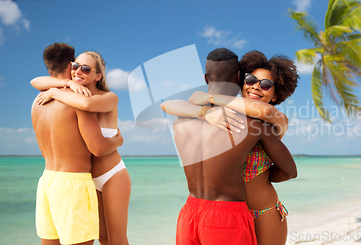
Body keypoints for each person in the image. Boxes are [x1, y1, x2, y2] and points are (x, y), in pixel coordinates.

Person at [161, 48, 297, 245]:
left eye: (266, 85)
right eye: (251, 81)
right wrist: (205, 112)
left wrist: (265, 177)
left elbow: (264, 111)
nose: (256, 87)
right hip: (229, 212)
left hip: (263, 211)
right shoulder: (224, 117)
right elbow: (169, 106)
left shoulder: (274, 121)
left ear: (276, 95)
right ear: (241, 80)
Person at [31, 51, 131, 245]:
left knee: (116, 239)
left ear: (98, 76)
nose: (78, 71)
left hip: (112, 175)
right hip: (85, 179)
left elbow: (86, 104)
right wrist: (65, 84)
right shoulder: (71, 94)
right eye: (75, 66)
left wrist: (54, 91)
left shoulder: (109, 97)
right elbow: (35, 82)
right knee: (101, 237)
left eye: (86, 69)